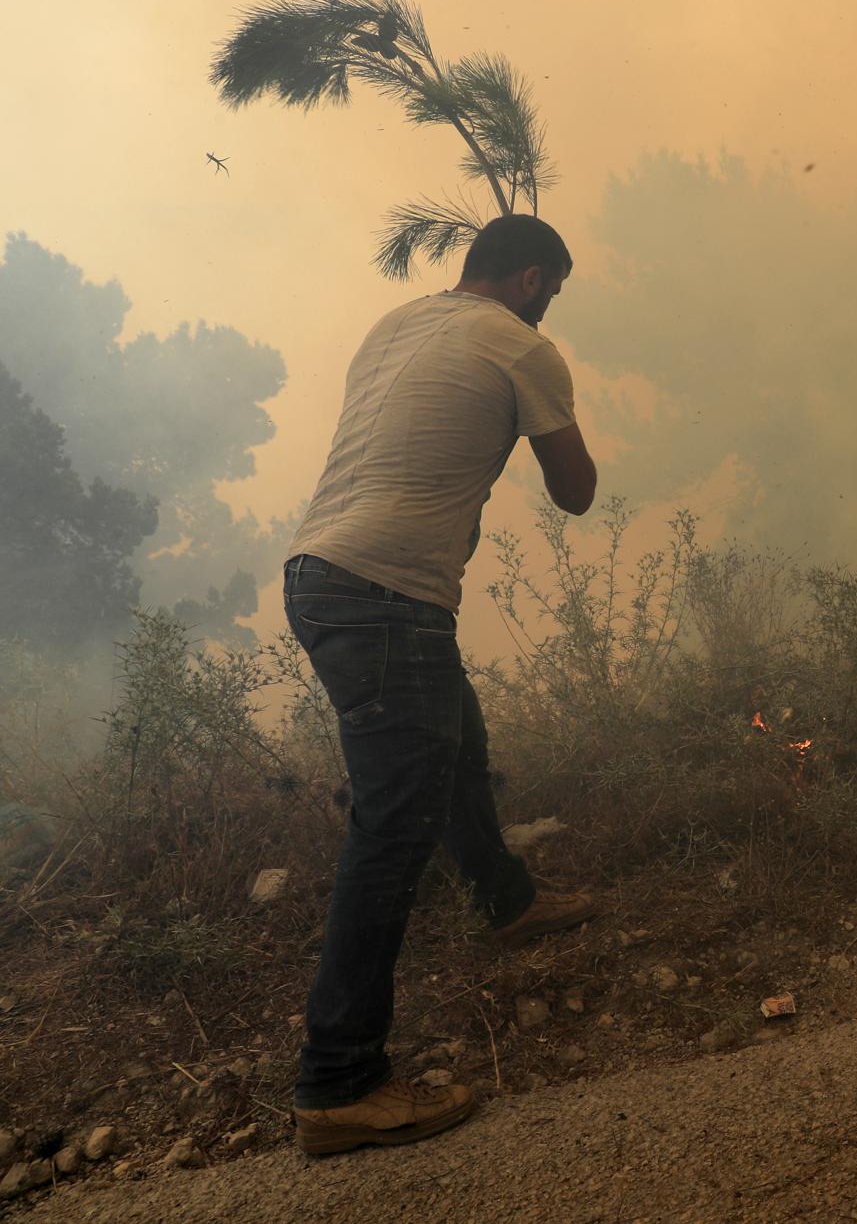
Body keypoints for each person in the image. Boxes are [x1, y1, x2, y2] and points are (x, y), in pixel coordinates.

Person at [283, 214, 600, 1155]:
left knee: (451, 732)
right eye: (555, 291)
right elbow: (576, 491)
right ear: (534, 278)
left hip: (319, 570)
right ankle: (339, 1083)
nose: (551, 308)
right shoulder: (524, 346)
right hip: (387, 591)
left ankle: (506, 899)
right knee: (393, 825)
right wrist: (553, 400)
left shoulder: (397, 325)